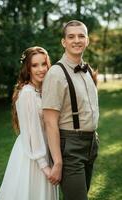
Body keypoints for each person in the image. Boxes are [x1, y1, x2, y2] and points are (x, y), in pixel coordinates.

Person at [42, 20, 99, 200]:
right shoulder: (56, 74)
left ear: (87, 40)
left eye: (81, 36)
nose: (76, 40)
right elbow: (50, 122)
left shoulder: (88, 70)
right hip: (70, 148)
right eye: (71, 36)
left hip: (90, 144)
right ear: (63, 42)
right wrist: (58, 162)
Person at [0, 46, 58, 200]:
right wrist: (44, 167)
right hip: (33, 156)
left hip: (46, 148)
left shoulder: (43, 90)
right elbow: (32, 132)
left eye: (44, 64)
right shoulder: (27, 93)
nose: (41, 69)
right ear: (27, 69)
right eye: (35, 65)